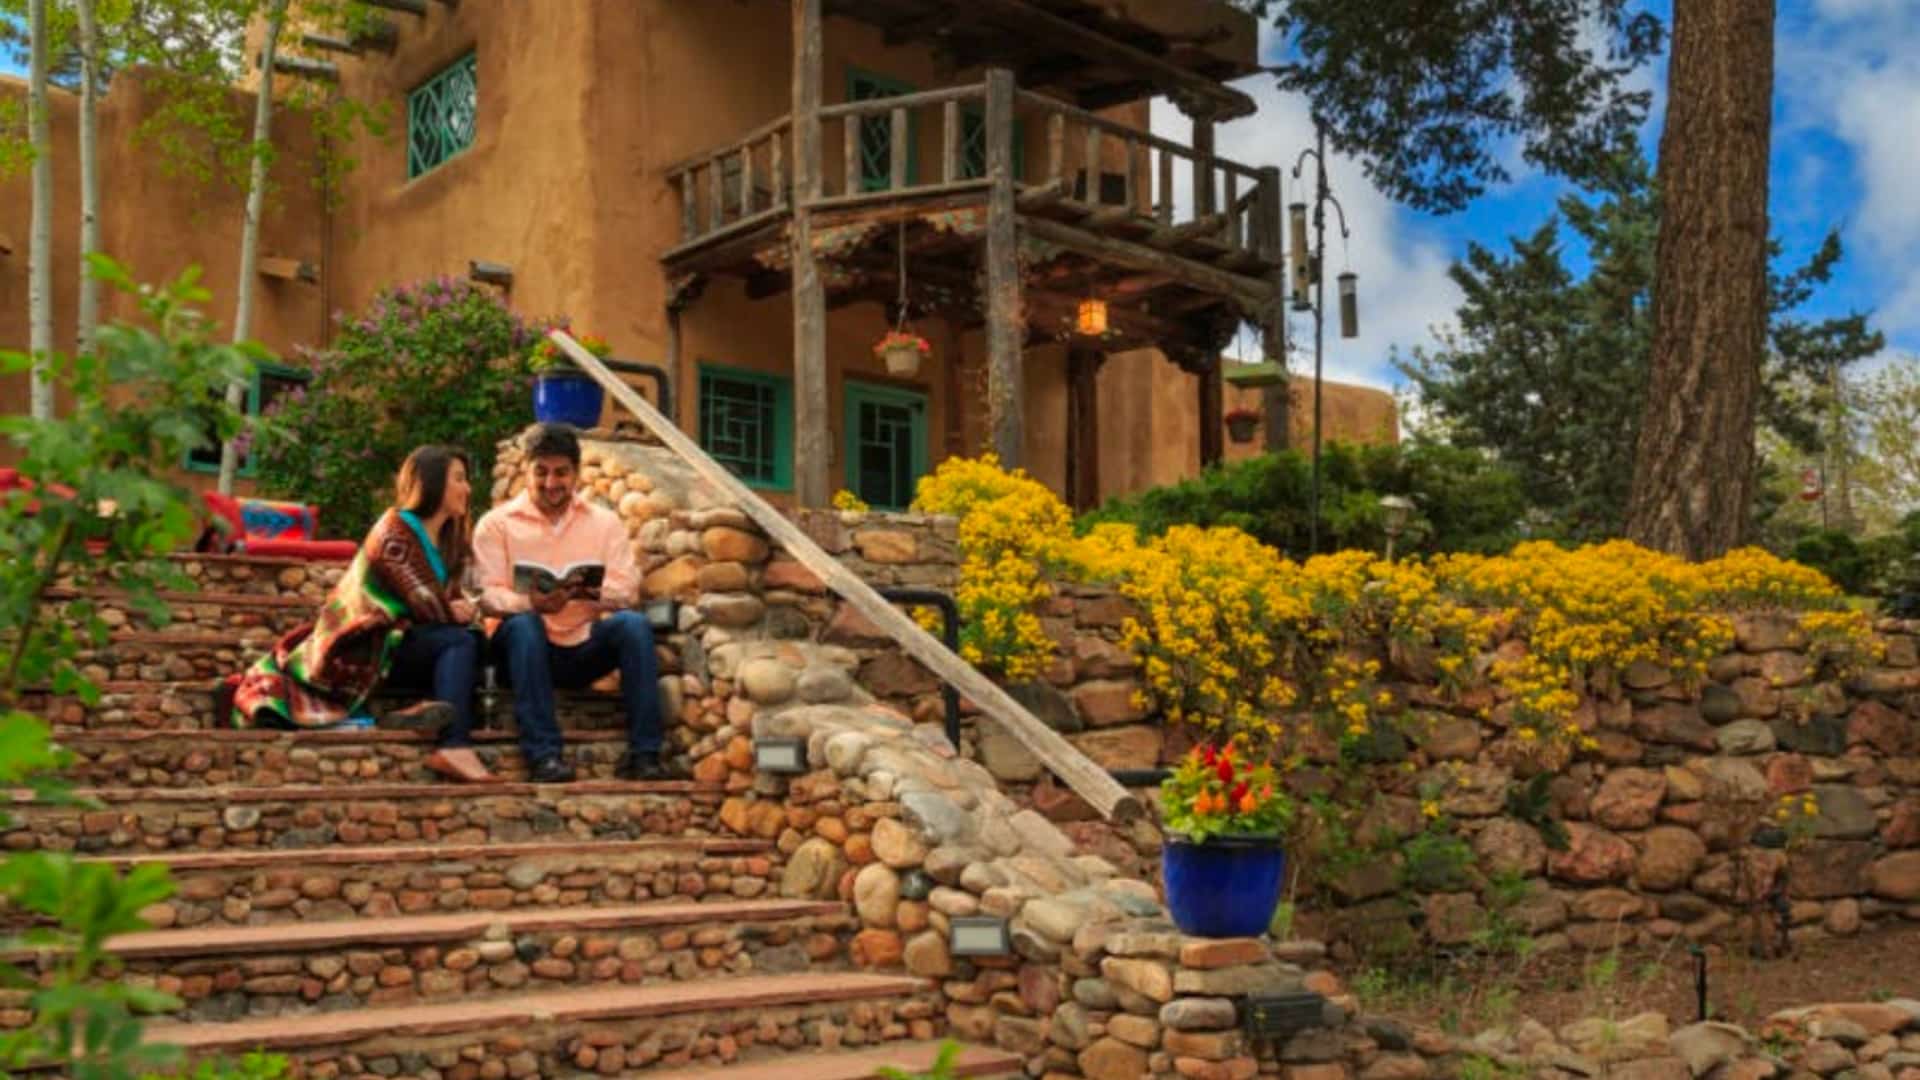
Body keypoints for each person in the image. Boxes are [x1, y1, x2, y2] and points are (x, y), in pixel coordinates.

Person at [231, 445, 496, 783]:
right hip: (364, 644)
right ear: (431, 482)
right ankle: (453, 745)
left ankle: (417, 711)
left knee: (473, 640)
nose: (468, 489)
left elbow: (449, 604)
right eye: (459, 479)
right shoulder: (394, 529)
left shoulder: (448, 543)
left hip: (405, 645)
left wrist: (462, 610)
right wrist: (454, 612)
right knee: (458, 641)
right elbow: (424, 601)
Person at [473, 423, 667, 783]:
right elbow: (486, 595)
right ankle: (544, 756)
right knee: (525, 624)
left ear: (575, 473)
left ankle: (646, 755)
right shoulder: (495, 525)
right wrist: (531, 602)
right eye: (541, 472)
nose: (551, 483)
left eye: (561, 472)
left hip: (581, 644)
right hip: (520, 650)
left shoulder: (605, 523)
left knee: (634, 625)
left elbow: (627, 590)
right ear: (525, 472)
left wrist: (588, 594)